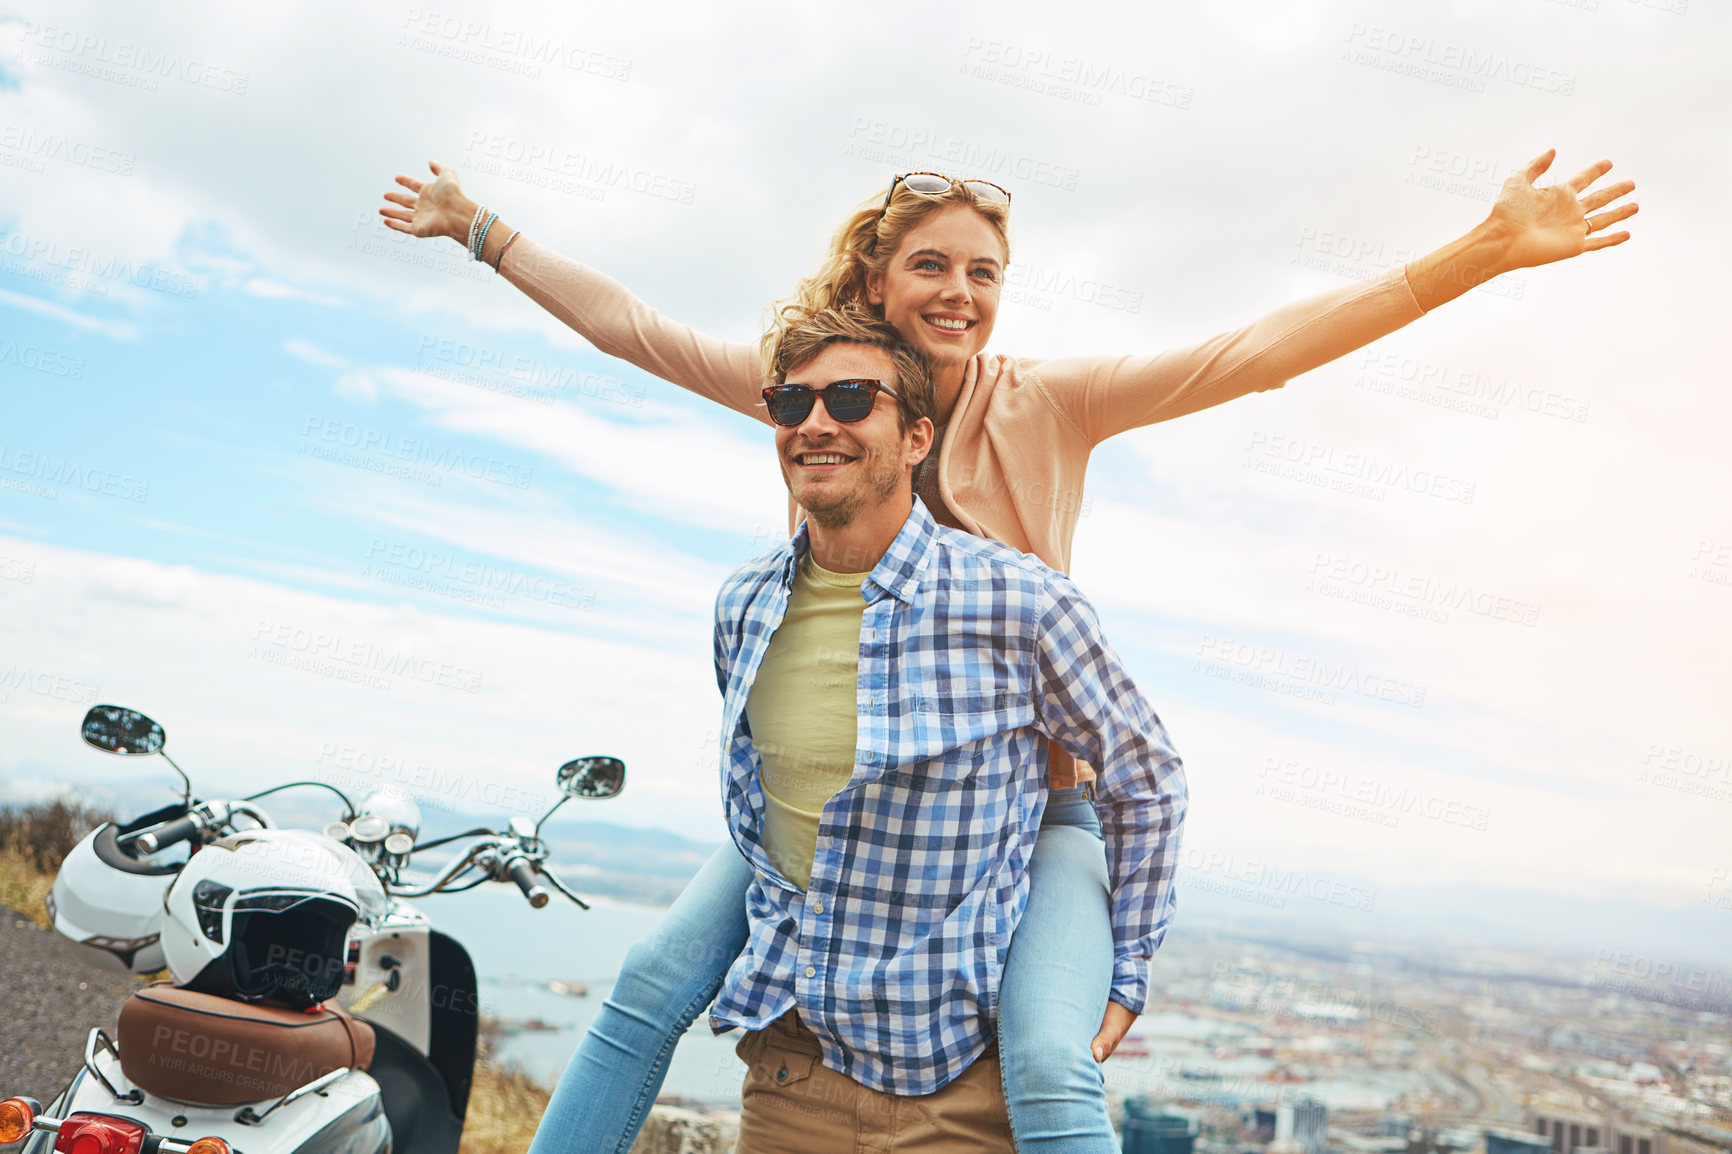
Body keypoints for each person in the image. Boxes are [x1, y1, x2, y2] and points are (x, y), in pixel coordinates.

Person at [378, 150, 1635, 1153]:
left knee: (1045, 1058)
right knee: (648, 984)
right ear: (875, 281)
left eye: (984, 273)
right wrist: (479, 226)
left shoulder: (1050, 401)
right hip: (863, 809)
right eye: (932, 266)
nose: (961, 295)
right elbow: (629, 327)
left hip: (1037, 816)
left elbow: (1253, 355)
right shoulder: (822, 391)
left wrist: (1483, 251)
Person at [713, 304, 1184, 1152]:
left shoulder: (1020, 602)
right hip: (792, 1079)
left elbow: (1145, 777)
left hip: (960, 1091)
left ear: (918, 438)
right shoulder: (743, 605)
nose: (817, 423)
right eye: (792, 403)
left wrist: (1127, 973)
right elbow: (766, 827)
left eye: (853, 400)